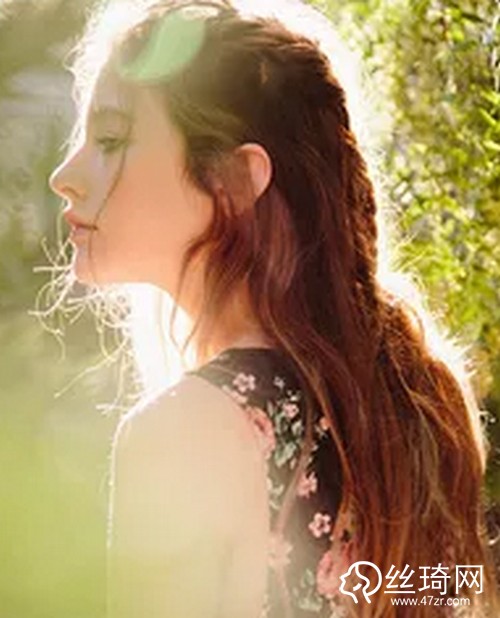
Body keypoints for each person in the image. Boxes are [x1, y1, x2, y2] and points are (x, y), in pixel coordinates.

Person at [48, 0, 499, 616]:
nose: (64, 176)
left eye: (110, 140)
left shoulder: (184, 432)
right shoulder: (420, 403)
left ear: (234, 181)